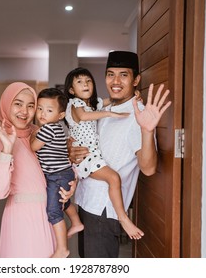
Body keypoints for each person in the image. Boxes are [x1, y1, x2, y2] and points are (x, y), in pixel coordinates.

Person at [70, 51, 172, 258]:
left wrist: (147, 130)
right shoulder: (104, 108)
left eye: (123, 75)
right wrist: (71, 146)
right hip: (86, 201)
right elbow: (83, 136)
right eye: (110, 74)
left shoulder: (138, 115)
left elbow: (148, 168)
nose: (115, 81)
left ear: (136, 80)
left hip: (104, 209)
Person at [0, 82, 77, 258]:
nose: (24, 111)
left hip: (52, 216)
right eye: (18, 103)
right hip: (22, 221)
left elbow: (61, 163)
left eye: (31, 105)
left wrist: (72, 184)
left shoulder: (40, 132)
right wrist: (7, 150)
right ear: (6, 104)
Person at [64, 67, 144, 241]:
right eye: (79, 82)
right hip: (86, 157)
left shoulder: (94, 104)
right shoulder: (76, 104)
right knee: (114, 178)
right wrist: (109, 113)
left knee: (112, 180)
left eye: (88, 81)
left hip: (91, 156)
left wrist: (135, 98)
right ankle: (123, 218)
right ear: (71, 90)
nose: (85, 84)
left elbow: (113, 99)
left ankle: (117, 217)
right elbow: (84, 117)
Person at [30, 88, 84, 258]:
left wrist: (33, 134)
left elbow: (33, 147)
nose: (42, 114)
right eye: (40, 108)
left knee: (53, 211)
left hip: (57, 175)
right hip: (64, 173)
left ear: (60, 115)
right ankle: (76, 222)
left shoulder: (47, 129)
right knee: (63, 202)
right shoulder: (59, 128)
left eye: (49, 110)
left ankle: (62, 249)